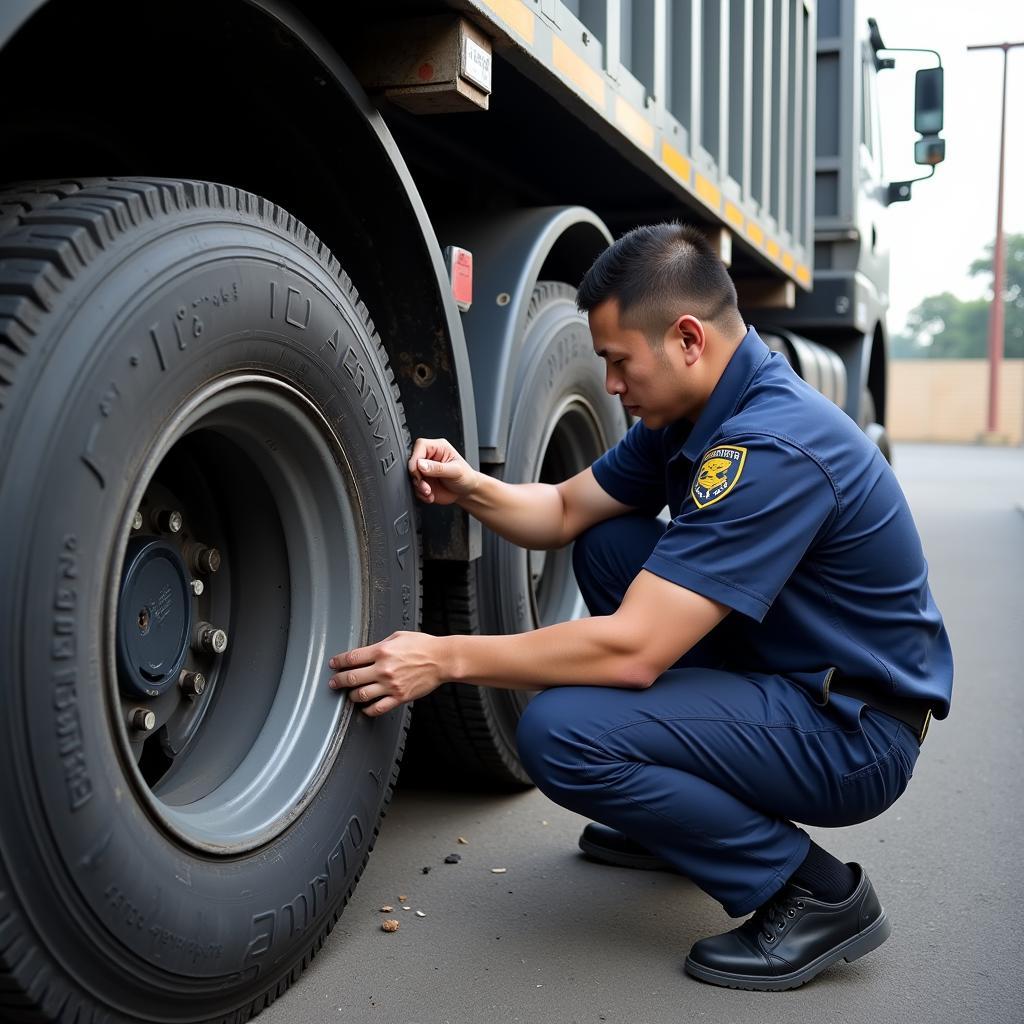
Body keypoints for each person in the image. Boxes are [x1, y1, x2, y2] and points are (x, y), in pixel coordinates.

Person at [326, 223, 953, 991]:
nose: (613, 385)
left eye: (619, 363)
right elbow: (561, 509)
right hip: (791, 674)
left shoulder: (769, 447)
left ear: (687, 339)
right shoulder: (692, 413)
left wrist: (444, 655)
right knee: (610, 542)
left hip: (854, 732)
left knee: (560, 733)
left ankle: (812, 893)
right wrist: (471, 487)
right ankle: (681, 818)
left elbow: (634, 649)